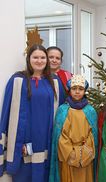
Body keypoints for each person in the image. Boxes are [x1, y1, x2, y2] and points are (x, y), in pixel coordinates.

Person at [0, 44, 65, 182]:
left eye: (42, 57)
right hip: (24, 141)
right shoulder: (17, 80)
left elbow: (62, 111)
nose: (39, 61)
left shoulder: (54, 81)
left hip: (47, 139)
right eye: (35, 57)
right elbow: (7, 112)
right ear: (29, 59)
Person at [49, 74, 98, 182]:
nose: (77, 92)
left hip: (86, 158)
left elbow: (92, 135)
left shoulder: (90, 111)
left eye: (80, 89)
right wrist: (72, 154)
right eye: (74, 88)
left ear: (84, 91)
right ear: (69, 90)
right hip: (68, 158)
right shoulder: (63, 110)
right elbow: (61, 136)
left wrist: (84, 154)